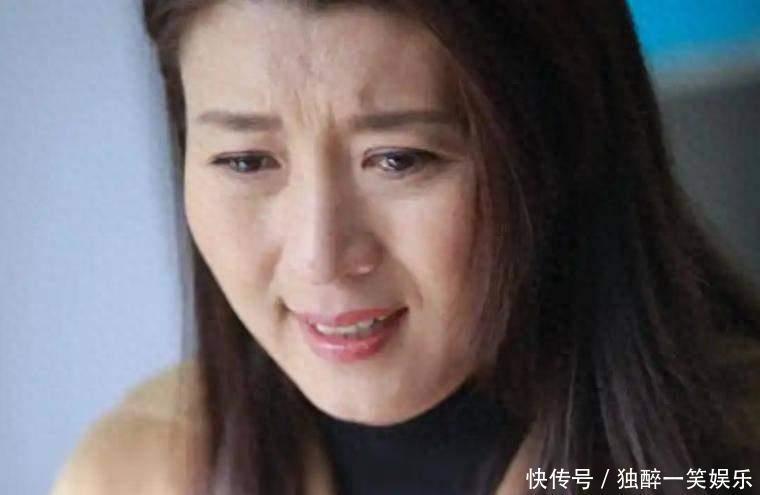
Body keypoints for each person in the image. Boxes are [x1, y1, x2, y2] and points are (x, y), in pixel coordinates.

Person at [52, 0, 760, 494]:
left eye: (399, 159)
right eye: (246, 160)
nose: (319, 258)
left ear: (562, 141)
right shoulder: (129, 474)